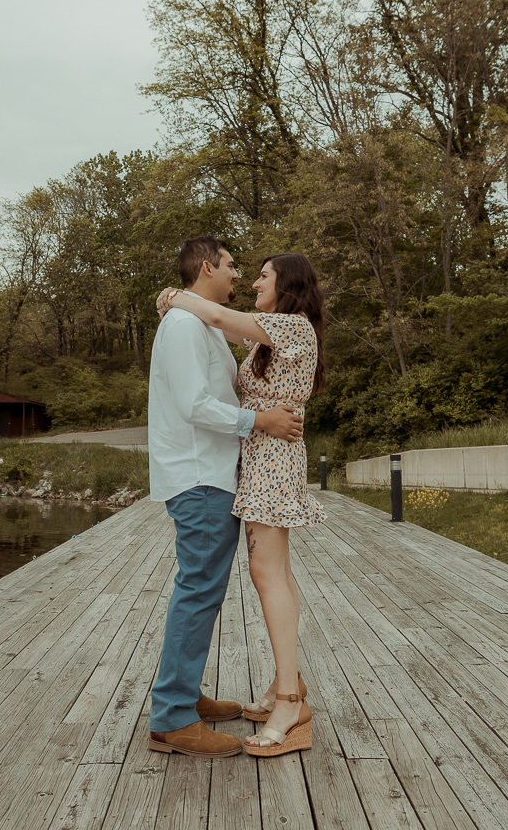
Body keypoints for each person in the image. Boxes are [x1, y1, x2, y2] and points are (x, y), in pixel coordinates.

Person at [158, 251, 327, 758]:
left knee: (267, 574)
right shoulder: (264, 336)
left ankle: (289, 700)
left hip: (271, 458)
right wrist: (180, 300)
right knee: (269, 573)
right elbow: (215, 327)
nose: (252, 280)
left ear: (288, 284)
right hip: (252, 458)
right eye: (244, 270)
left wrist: (172, 296)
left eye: (264, 275)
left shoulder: (294, 329)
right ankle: (285, 687)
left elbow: (212, 315)